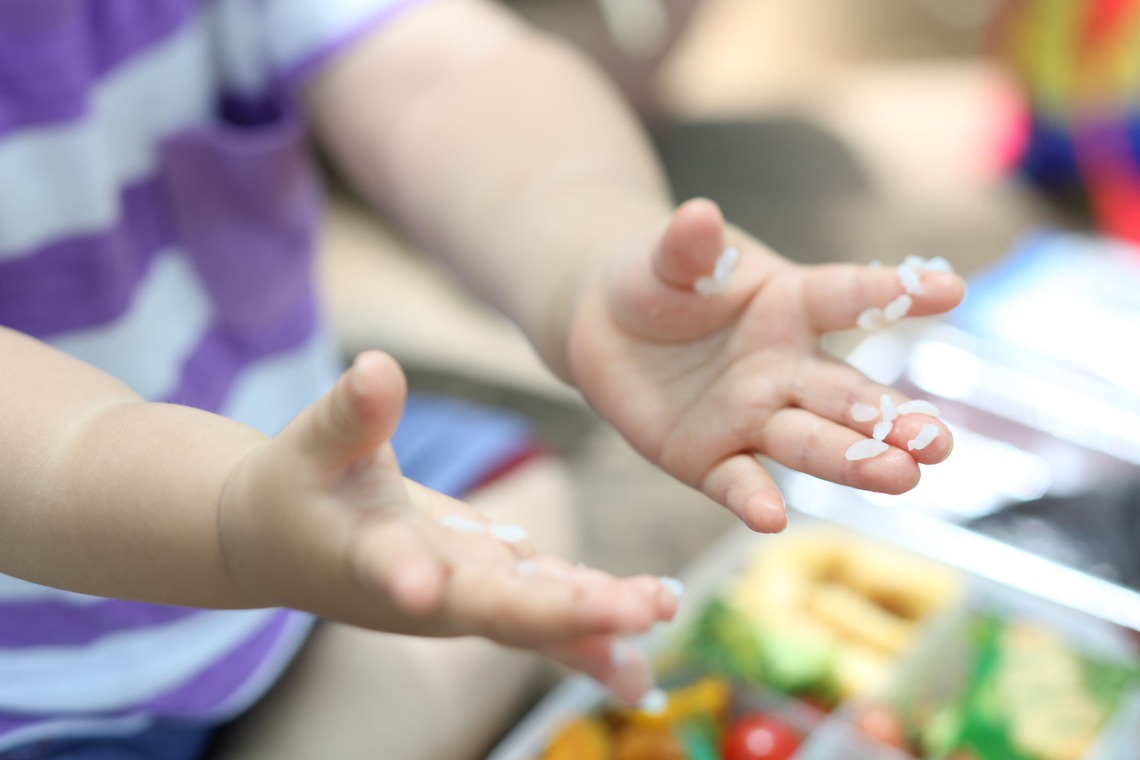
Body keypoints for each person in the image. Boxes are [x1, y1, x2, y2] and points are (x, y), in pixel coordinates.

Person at [0, 1, 966, 758]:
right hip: (40, 672)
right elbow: (48, 452)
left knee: (507, 514)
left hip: (288, 467)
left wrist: (585, 246)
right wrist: (230, 518)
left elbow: (442, 70)